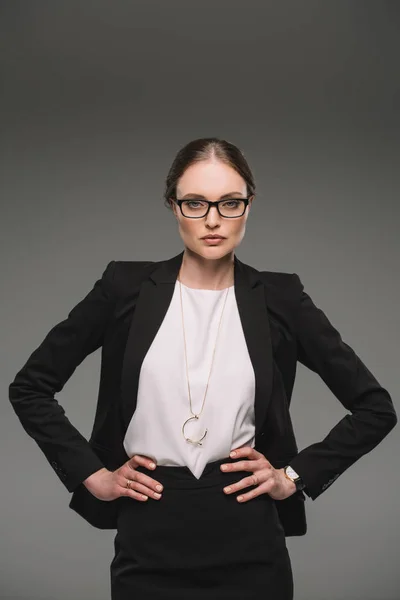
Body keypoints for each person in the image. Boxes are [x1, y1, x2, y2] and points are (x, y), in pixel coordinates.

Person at [9, 137, 397, 600]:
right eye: (195, 203)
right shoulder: (124, 288)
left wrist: (290, 477)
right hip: (148, 533)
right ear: (173, 206)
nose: (213, 220)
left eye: (229, 203)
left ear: (249, 206)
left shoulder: (281, 298)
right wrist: (93, 474)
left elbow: (375, 408)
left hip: (249, 535)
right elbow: (30, 387)